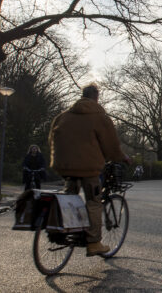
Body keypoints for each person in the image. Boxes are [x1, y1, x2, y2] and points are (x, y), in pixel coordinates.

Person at [49, 83, 131, 257]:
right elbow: (111, 145)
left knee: (69, 196)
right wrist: (121, 157)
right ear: (96, 96)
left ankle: (64, 230)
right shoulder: (99, 117)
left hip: (64, 165)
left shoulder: (63, 116)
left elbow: (52, 139)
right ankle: (93, 243)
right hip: (88, 168)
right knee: (94, 201)